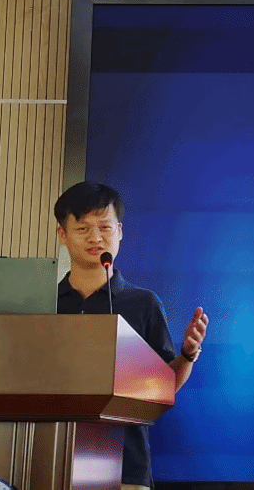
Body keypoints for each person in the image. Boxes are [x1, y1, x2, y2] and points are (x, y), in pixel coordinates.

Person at [54, 181, 209, 490]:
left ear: (120, 231)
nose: (96, 238)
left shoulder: (142, 303)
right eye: (83, 229)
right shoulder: (45, 302)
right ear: (62, 234)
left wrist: (187, 355)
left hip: (126, 467)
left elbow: (164, 385)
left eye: (105, 227)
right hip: (52, 460)